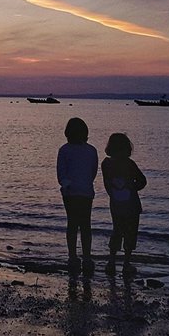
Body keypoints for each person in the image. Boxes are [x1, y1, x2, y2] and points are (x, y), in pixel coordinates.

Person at [57, 117, 99, 273]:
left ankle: (73, 256)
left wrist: (67, 185)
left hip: (70, 192)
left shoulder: (64, 150)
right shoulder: (91, 150)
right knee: (86, 225)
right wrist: (85, 183)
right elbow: (93, 171)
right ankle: (86, 258)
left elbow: (61, 174)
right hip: (86, 192)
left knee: (72, 224)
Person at [101, 132, 147, 276]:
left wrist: (115, 193)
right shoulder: (129, 164)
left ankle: (111, 262)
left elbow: (107, 185)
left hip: (116, 204)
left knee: (117, 231)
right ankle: (126, 264)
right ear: (127, 148)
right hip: (131, 205)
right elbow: (142, 181)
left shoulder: (106, 164)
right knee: (130, 233)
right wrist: (132, 187)